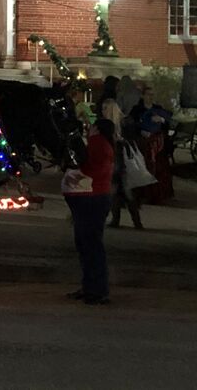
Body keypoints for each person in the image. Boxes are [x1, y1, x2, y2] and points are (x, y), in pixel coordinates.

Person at [63, 117, 116, 305]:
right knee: (89, 244)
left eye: (91, 127)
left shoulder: (95, 144)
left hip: (90, 197)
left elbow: (86, 167)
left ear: (97, 129)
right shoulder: (107, 145)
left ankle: (96, 289)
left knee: (90, 245)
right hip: (97, 197)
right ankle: (91, 287)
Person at [130, 86, 174, 204]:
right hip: (142, 143)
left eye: (152, 95)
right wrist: (141, 131)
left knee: (159, 165)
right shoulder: (137, 109)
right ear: (143, 96)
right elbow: (132, 125)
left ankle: (157, 194)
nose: (150, 97)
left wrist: (161, 120)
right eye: (148, 94)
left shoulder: (158, 109)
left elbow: (167, 124)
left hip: (157, 143)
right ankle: (142, 193)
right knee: (143, 165)